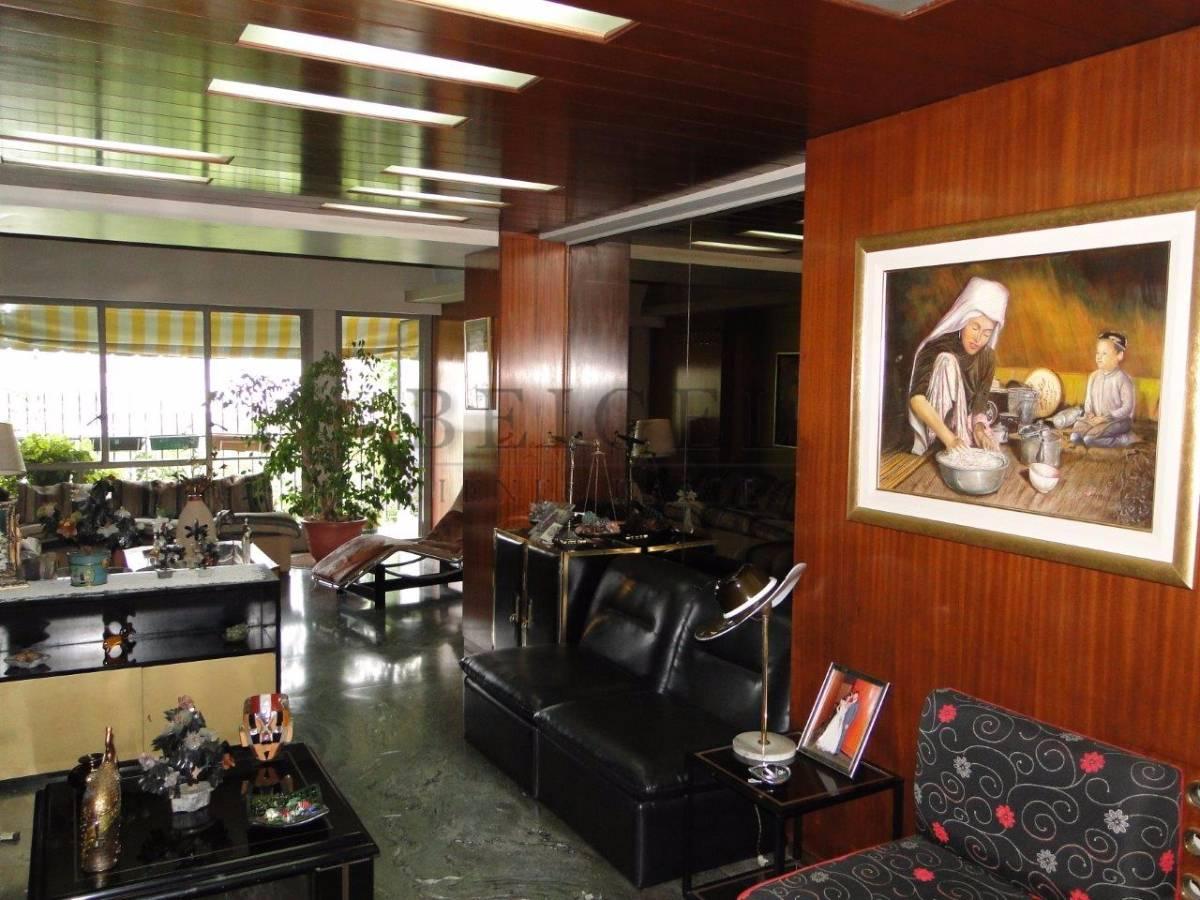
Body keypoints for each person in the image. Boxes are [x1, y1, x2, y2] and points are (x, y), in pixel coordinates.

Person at [907, 277, 1010, 455]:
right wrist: (949, 439)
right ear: (963, 320)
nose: (979, 339)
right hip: (937, 434)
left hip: (961, 437)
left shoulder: (987, 357)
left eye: (987, 333)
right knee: (947, 361)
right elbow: (916, 399)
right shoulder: (937, 348)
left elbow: (979, 405)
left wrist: (980, 432)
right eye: (975, 328)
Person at [1070, 330, 1136, 448]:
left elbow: (1127, 408)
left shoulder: (1122, 378)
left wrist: (1106, 417)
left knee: (1090, 439)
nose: (1099, 357)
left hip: (1117, 420)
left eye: (1104, 353)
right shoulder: (1093, 376)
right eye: (1098, 353)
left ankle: (1124, 440)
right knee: (1075, 437)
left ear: (1119, 355)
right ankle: (1094, 432)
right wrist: (1089, 413)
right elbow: (1088, 402)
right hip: (1096, 419)